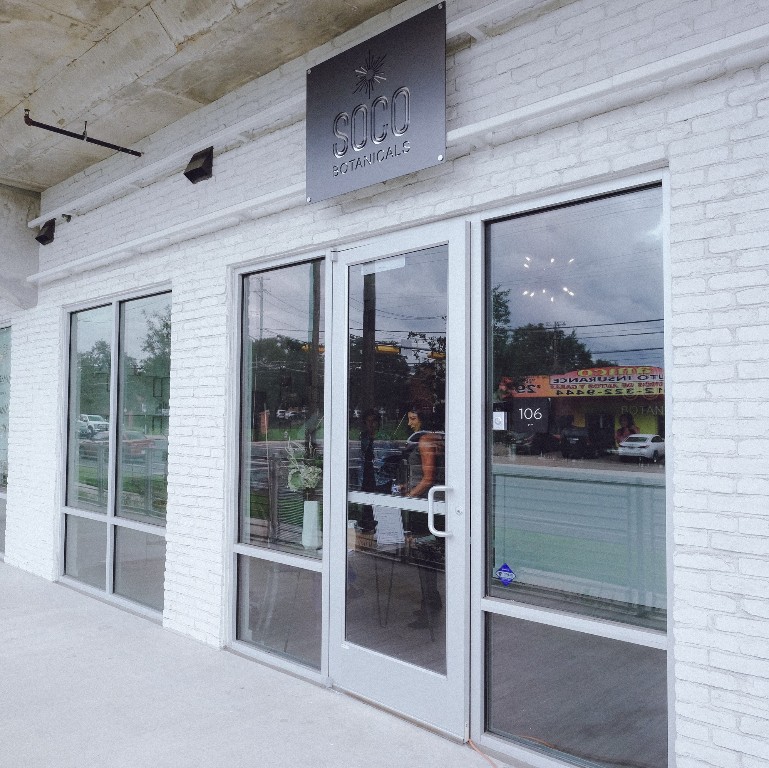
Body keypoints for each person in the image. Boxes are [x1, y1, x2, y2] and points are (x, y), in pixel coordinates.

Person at [404, 405, 445, 629]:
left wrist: (409, 496)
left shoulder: (426, 440)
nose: (410, 423)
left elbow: (428, 477)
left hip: (425, 504)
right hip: (429, 500)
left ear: (422, 419)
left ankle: (429, 605)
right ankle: (430, 600)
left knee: (425, 556)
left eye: (413, 418)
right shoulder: (436, 438)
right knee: (427, 556)